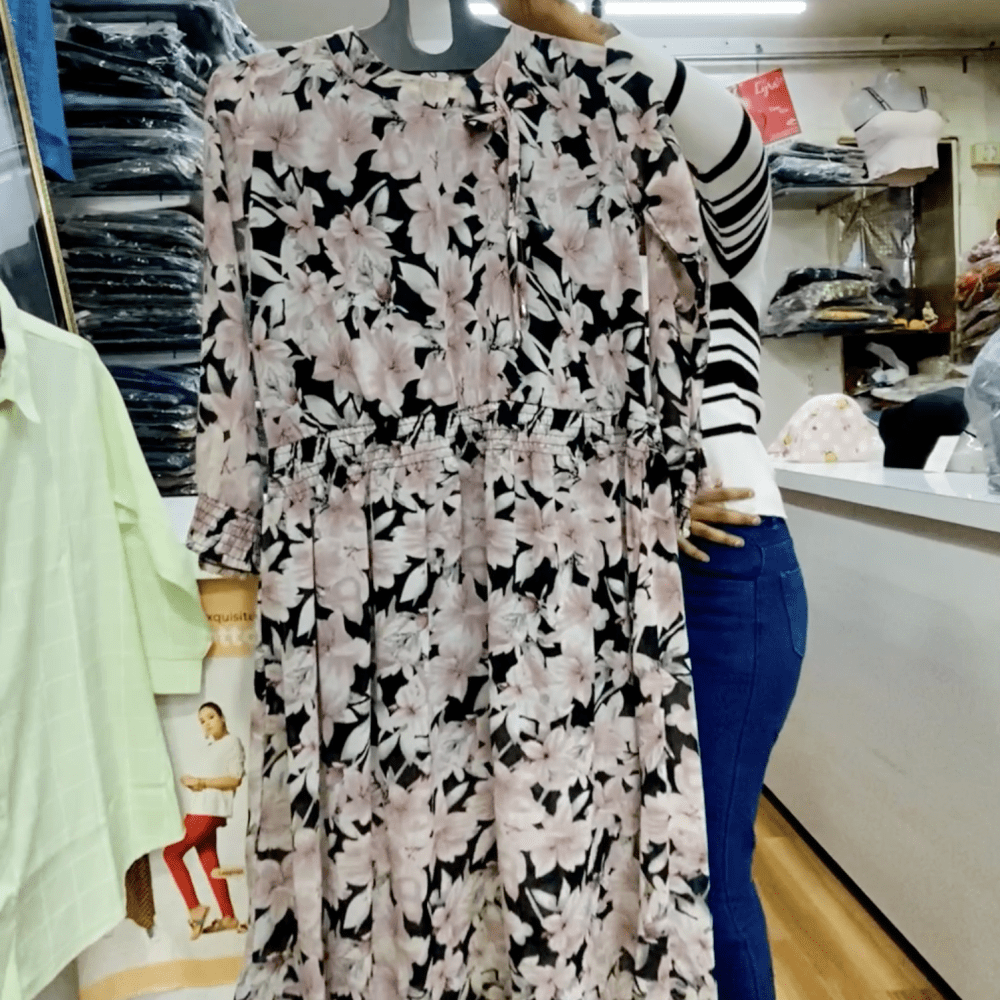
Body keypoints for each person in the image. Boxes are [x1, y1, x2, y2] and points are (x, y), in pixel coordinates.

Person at [496, 4, 809, 997]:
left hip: (722, 565)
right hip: (598, 574)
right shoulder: (552, 249)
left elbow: (736, 142)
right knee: (607, 858)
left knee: (705, 863)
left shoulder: (718, 236)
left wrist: (580, 34)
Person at [163, 702, 246, 940]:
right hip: (201, 809)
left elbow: (235, 779)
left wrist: (201, 782)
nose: (207, 723)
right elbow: (206, 780)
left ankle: (195, 908)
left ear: (222, 717)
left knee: (171, 853)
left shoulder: (232, 742)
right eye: (202, 721)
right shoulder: (211, 747)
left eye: (211, 717)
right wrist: (192, 784)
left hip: (210, 811)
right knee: (209, 861)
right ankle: (228, 917)